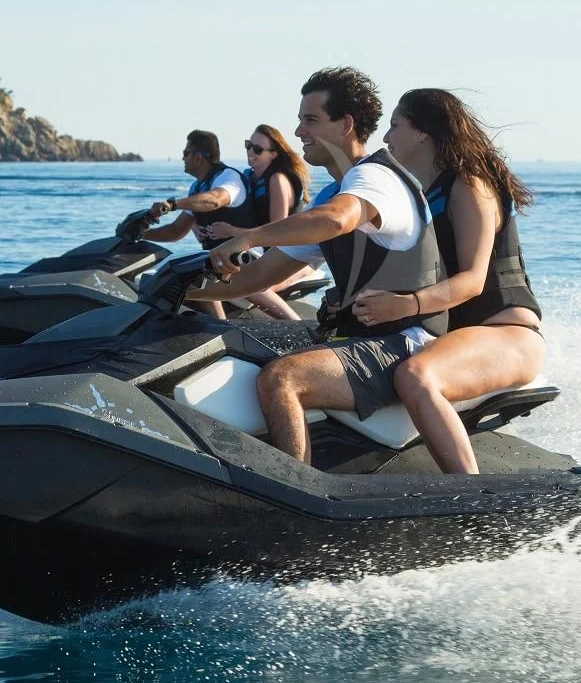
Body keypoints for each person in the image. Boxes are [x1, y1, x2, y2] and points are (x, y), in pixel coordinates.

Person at [188, 67, 448, 465]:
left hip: (404, 343)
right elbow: (259, 276)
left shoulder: (375, 178)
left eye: (310, 120)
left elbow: (337, 219)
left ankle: (295, 490)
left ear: (345, 124)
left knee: (282, 378)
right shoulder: (335, 190)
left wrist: (252, 235)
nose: (298, 132)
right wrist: (186, 290)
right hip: (366, 338)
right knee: (245, 344)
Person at [349, 88, 544, 474]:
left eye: (395, 126)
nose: (386, 137)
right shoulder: (422, 192)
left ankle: (470, 499)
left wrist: (404, 304)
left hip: (508, 333)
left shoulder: (470, 184)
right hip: (461, 337)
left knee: (415, 376)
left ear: (423, 133)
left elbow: (472, 280)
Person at [201, 125, 315, 320]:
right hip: (259, 253)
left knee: (249, 283)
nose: (250, 152)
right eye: (248, 145)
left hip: (291, 254)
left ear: (273, 154)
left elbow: (279, 231)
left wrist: (231, 230)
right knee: (204, 274)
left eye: (258, 149)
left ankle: (299, 329)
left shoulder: (277, 179)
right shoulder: (247, 177)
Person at [144, 129, 254, 319]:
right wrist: (141, 235)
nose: (182, 158)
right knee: (179, 270)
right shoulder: (198, 187)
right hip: (219, 259)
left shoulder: (227, 177)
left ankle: (222, 328)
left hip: (245, 256)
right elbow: (176, 231)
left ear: (198, 157)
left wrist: (172, 204)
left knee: (199, 272)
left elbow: (215, 200)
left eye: (186, 153)